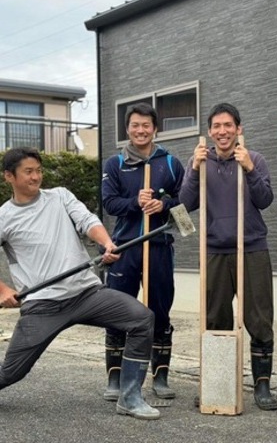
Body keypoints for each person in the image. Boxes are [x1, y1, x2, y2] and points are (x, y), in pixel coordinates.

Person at [0, 147, 159, 420]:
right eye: (28, 171)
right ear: (9, 177)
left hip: (86, 293)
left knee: (141, 319)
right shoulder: (4, 217)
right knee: (11, 372)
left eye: (38, 170)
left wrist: (107, 243)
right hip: (43, 305)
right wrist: (3, 290)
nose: (36, 177)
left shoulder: (60, 196)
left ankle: (130, 397)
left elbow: (87, 220)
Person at [179, 102, 277, 411]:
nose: (223, 131)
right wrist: (195, 170)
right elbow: (184, 204)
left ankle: (262, 386)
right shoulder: (201, 160)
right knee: (215, 320)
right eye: (217, 126)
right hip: (215, 249)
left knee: (259, 318)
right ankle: (217, 381)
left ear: (238, 129)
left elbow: (266, 199)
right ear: (209, 131)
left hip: (251, 248)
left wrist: (248, 168)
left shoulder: (254, 158)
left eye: (228, 126)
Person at [102, 102, 184, 401]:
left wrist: (164, 205)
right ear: (128, 128)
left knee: (159, 312)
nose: (140, 130)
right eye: (135, 125)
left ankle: (160, 376)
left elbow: (186, 201)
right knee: (116, 312)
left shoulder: (171, 163)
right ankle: (115, 377)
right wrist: (135, 202)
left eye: (146, 125)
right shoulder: (115, 164)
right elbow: (110, 204)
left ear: (155, 128)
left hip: (159, 247)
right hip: (125, 249)